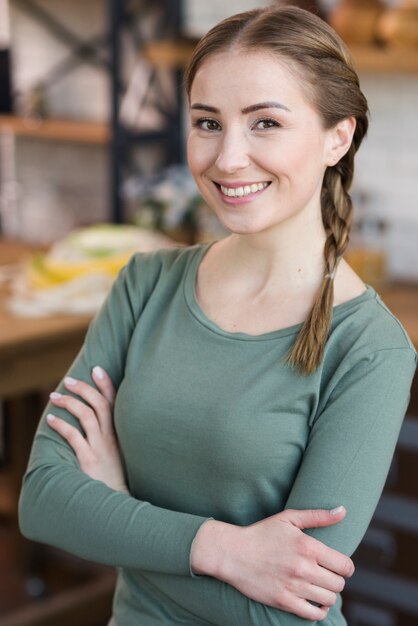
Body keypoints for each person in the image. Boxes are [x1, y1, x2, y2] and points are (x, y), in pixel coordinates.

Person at [19, 6, 416, 626]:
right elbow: (43, 500)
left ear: (338, 137)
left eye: (265, 123)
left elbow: (288, 612)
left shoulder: (368, 347)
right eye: (208, 122)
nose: (229, 158)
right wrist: (224, 550)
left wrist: (116, 510)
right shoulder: (145, 285)